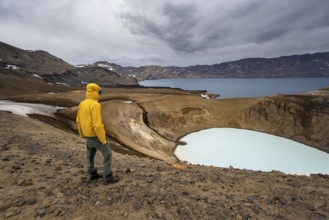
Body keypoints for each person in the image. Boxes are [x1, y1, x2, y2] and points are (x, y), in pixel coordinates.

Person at [76, 83, 119, 183]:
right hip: (95, 135)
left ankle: (92, 173)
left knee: (90, 154)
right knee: (108, 153)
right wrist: (102, 138)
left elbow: (78, 120)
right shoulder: (95, 105)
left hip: (87, 134)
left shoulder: (82, 103)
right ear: (96, 92)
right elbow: (97, 125)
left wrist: (82, 133)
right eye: (99, 91)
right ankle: (108, 175)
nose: (100, 93)